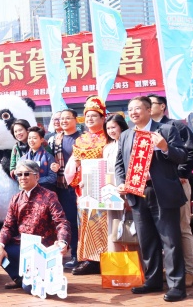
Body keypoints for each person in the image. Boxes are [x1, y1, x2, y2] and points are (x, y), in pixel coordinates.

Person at [115, 96, 187, 302]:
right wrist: (122, 182)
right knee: (146, 240)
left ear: (149, 110)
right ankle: (153, 280)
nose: (133, 112)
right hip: (137, 193)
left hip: (161, 192)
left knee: (170, 240)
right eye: (130, 109)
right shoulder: (126, 135)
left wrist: (165, 147)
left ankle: (176, 286)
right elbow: (119, 163)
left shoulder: (166, 130)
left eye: (138, 108)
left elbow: (182, 156)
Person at [0, 159, 70, 290]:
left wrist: (62, 242)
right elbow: (8, 226)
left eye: (27, 174)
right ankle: (18, 277)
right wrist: (0, 245)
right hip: (22, 246)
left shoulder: (49, 196)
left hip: (42, 248)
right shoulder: (16, 198)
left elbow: (61, 221)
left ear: (37, 176)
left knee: (29, 289)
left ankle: (40, 278)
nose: (22, 177)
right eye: (19, 174)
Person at [149, 94, 193, 287]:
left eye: (151, 103)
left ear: (162, 106)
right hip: (152, 188)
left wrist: (180, 173)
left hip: (175, 184)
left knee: (182, 228)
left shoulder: (175, 126)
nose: (146, 107)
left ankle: (189, 271)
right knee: (161, 231)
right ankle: (170, 270)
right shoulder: (142, 130)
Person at [66, 96, 108, 275]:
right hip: (84, 187)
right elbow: (73, 165)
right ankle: (89, 259)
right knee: (85, 222)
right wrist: (76, 177)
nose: (90, 119)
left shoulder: (109, 138)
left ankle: (106, 257)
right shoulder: (81, 140)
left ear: (103, 118)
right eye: (88, 116)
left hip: (104, 186)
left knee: (104, 223)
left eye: (94, 116)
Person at [49, 109, 82, 267]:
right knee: (66, 221)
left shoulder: (82, 139)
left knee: (77, 221)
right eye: (61, 119)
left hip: (77, 186)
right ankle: (71, 254)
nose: (63, 121)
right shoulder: (55, 139)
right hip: (60, 186)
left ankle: (78, 255)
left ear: (76, 119)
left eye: (67, 118)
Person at [102, 113, 131, 253]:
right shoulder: (107, 148)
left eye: (114, 127)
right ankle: (116, 263)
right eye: (108, 128)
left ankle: (135, 264)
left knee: (130, 226)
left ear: (122, 126)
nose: (111, 131)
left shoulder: (130, 143)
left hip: (127, 190)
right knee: (113, 226)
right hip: (110, 192)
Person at [21, 126, 57, 192]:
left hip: (45, 193)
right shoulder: (23, 159)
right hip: (27, 193)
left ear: (42, 139)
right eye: (29, 138)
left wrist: (34, 180)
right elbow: (18, 176)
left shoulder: (48, 157)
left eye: (34, 138)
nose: (31, 140)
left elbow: (53, 177)